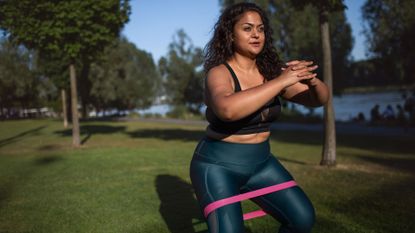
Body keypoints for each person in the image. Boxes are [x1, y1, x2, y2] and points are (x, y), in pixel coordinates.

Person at [189, 3, 329, 233]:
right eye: (247, 28)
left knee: (302, 219)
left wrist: (311, 80)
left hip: (262, 164)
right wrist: (282, 81)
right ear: (230, 35)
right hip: (217, 166)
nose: (256, 34)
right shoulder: (219, 72)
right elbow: (227, 109)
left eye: (261, 29)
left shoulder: (271, 72)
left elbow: (319, 99)